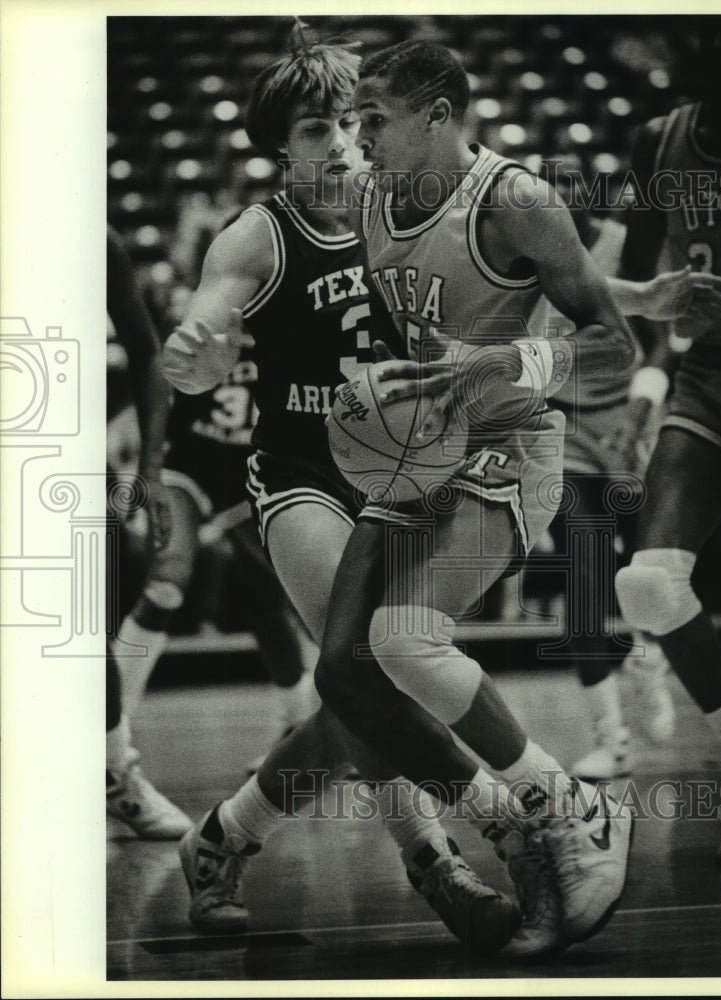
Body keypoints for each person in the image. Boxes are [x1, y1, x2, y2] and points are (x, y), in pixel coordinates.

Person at [163, 28, 524, 954]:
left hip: (399, 479)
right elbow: (204, 330)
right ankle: (443, 859)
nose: (338, 144)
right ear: (281, 145)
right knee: (365, 667)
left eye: (350, 125)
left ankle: (222, 839)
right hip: (301, 481)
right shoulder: (259, 232)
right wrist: (196, 356)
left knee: (359, 689)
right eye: (315, 128)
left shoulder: (402, 213)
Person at [523, 199, 721, 780]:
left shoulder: (625, 244)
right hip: (563, 427)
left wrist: (639, 412)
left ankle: (649, 656)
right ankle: (611, 739)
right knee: (583, 573)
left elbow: (667, 338)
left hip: (635, 418)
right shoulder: (524, 250)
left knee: (648, 574)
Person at [112, 246, 318, 790]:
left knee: (267, 604)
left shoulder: (292, 316)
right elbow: (155, 381)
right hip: (189, 470)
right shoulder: (192, 310)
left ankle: (298, 725)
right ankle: (111, 735)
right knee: (167, 584)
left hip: (251, 478)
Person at [614, 25, 721, 860]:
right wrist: (644, 373)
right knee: (647, 583)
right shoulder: (658, 141)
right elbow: (631, 285)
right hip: (712, 378)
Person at [106, 226, 190, 839]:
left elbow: (146, 350)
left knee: (88, 631)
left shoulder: (92, 237)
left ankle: (113, 772)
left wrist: (151, 473)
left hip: (60, 458)